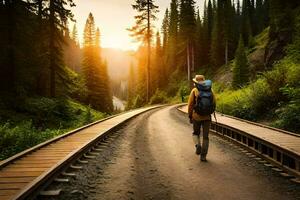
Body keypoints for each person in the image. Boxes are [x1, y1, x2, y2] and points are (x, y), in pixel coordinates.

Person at [188, 75, 216, 162]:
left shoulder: (194, 90)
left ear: (196, 82)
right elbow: (214, 103)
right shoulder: (210, 90)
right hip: (207, 117)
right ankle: (203, 156)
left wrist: (190, 116)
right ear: (204, 81)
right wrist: (209, 113)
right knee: (206, 137)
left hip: (196, 117)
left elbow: (190, 105)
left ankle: (198, 145)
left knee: (195, 133)